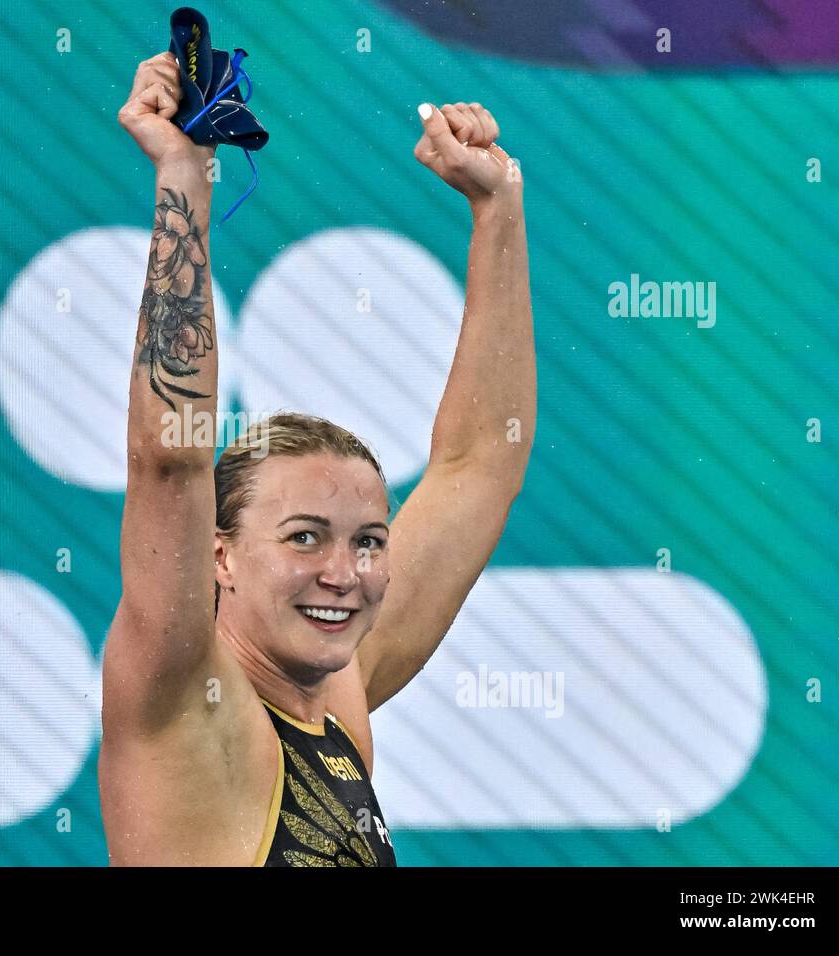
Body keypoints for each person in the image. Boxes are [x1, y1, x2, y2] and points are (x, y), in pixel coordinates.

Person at [100, 51, 535, 866]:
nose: (348, 572)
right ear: (219, 554)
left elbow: (482, 463)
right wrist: (186, 182)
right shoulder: (183, 699)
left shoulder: (337, 694)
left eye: (368, 540)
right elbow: (169, 460)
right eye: (305, 538)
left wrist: (497, 208)